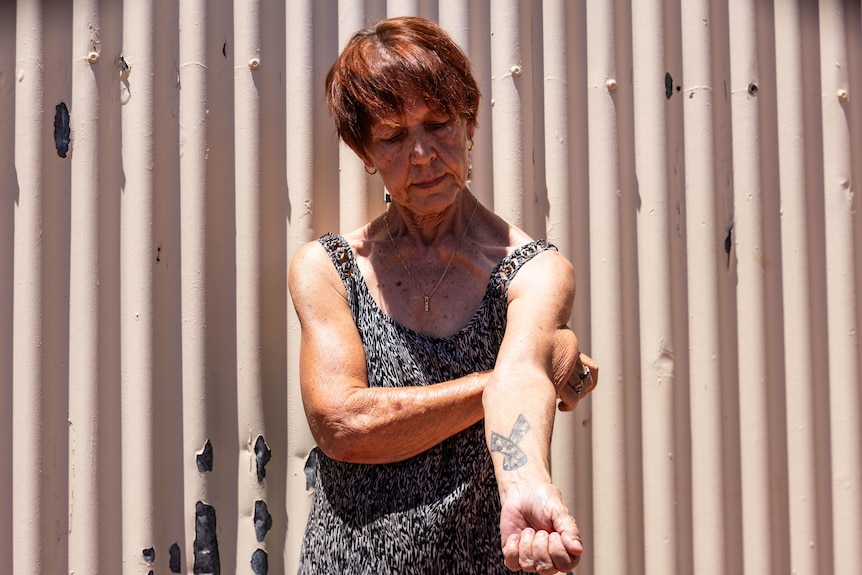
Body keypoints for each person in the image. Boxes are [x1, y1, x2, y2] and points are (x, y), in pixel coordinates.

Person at [288, 16, 598, 574]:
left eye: (438, 123)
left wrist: (527, 484)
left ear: (470, 121)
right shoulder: (329, 268)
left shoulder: (532, 269)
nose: (424, 153)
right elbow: (342, 425)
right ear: (364, 151)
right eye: (393, 136)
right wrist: (499, 381)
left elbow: (526, 373)